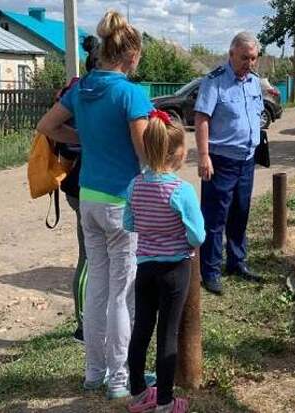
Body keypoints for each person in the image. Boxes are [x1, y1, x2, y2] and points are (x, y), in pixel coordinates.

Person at [37, 10, 152, 399]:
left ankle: (93, 373)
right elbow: (143, 151)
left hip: (88, 198)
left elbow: (48, 126)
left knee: (99, 288)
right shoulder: (131, 94)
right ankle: (120, 380)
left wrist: (87, 138)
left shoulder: (82, 88)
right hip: (122, 203)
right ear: (131, 55)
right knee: (124, 294)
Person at [124, 110, 204, 413]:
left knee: (142, 327)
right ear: (179, 152)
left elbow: (128, 223)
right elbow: (197, 235)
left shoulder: (135, 185)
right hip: (175, 268)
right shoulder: (181, 191)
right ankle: (166, 401)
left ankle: (138, 392)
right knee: (167, 333)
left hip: (145, 267)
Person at [193, 32, 264, 295]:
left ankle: (237, 262)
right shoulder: (214, 82)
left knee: (240, 212)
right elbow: (201, 119)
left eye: (254, 58)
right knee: (214, 218)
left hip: (246, 160)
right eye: (245, 57)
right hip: (220, 161)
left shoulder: (254, 82)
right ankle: (209, 271)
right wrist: (203, 156)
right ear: (231, 54)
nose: (250, 63)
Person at [56, 34, 100, 344]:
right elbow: (62, 141)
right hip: (84, 185)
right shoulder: (83, 92)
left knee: (96, 258)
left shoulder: (87, 90)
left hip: (90, 184)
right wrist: (88, 139)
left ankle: (91, 321)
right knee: (89, 257)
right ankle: (83, 326)